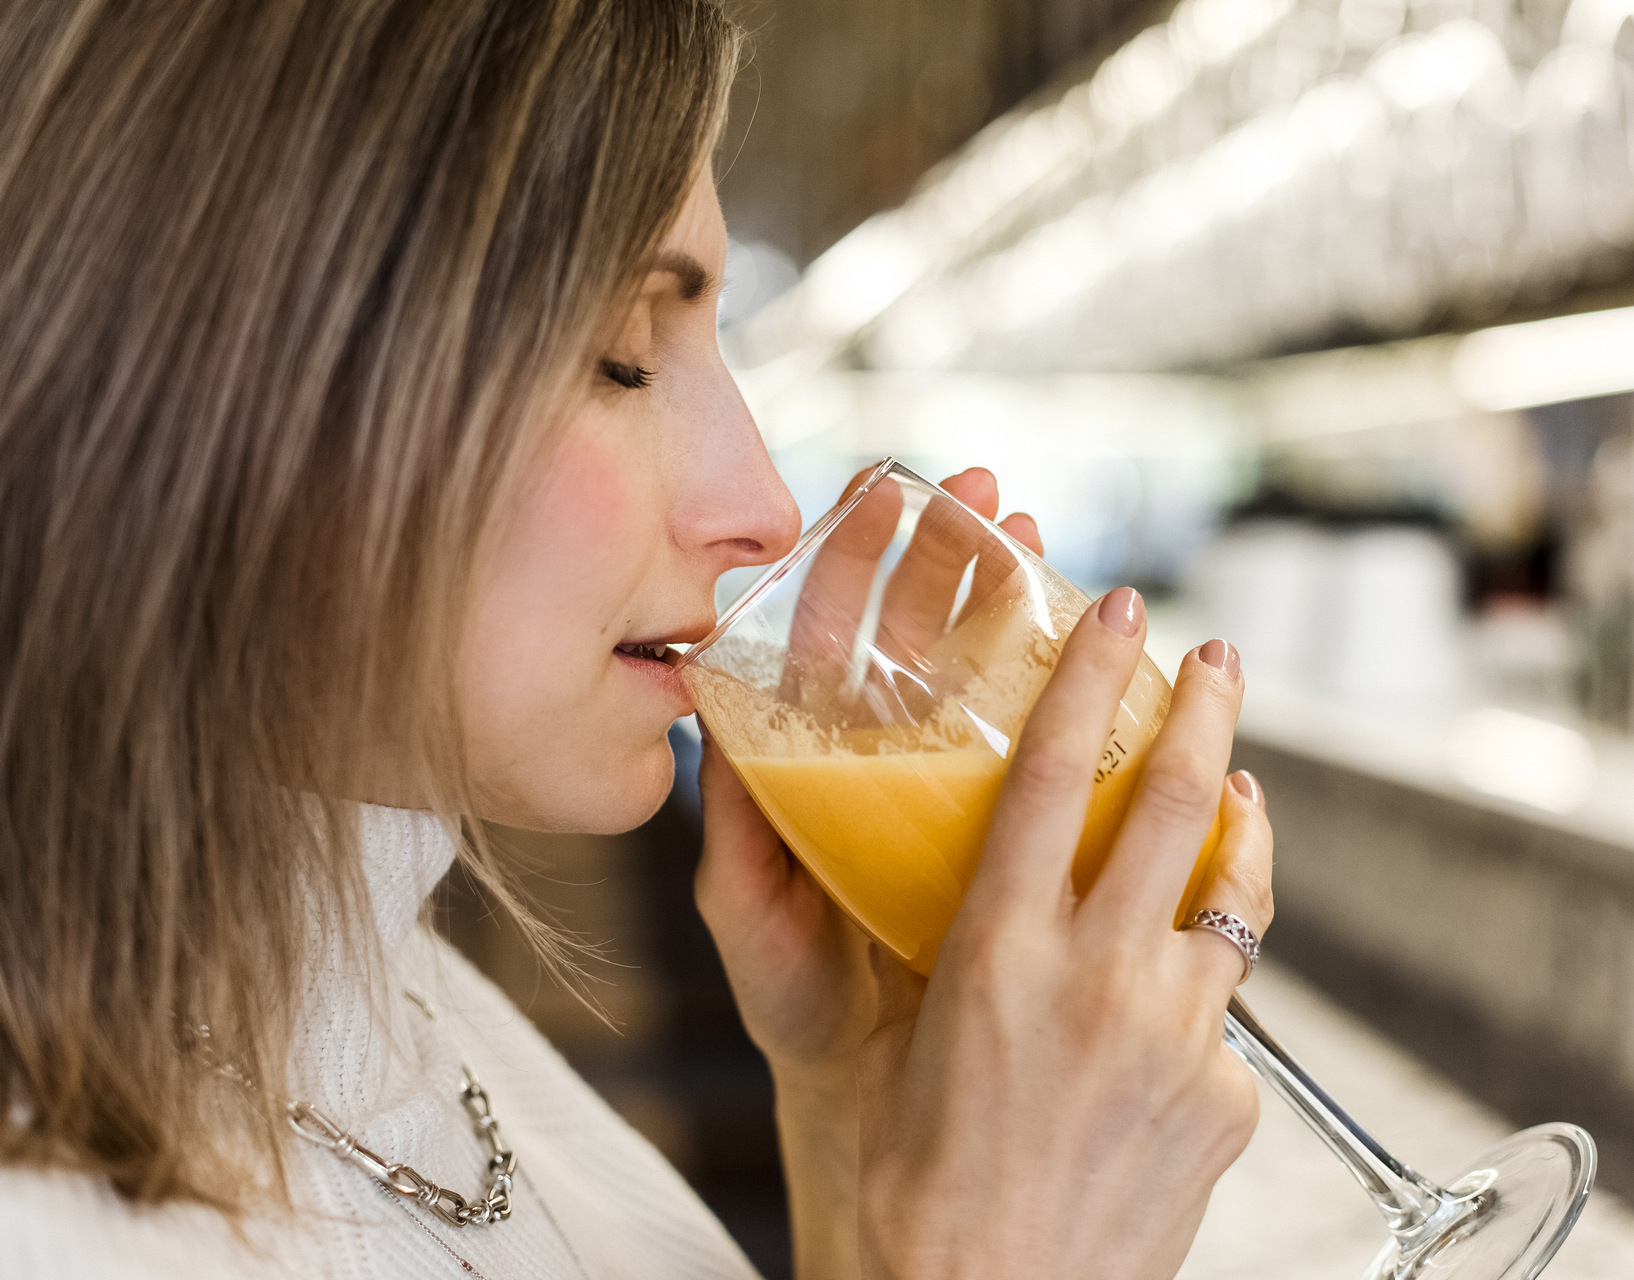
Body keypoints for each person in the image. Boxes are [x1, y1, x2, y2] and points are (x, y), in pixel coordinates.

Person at [0, 2, 1275, 1277]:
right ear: (220, 371)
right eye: (620, 356)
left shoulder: (397, 1004)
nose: (766, 508)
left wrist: (855, 1129)